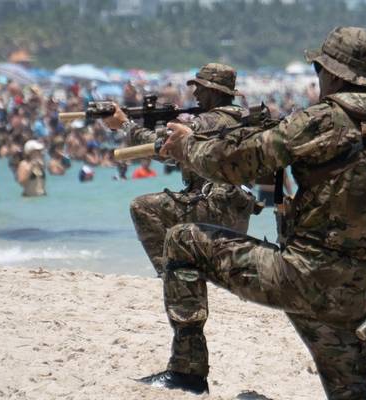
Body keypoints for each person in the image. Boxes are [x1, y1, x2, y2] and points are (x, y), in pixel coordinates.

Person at [155, 27, 366, 399]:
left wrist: (187, 147)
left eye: (319, 70)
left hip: (302, 276)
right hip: (360, 290)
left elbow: (235, 164)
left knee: (182, 239)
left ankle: (186, 373)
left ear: (331, 73)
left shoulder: (321, 119)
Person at [100, 63, 259, 395]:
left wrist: (124, 124)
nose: (195, 92)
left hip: (215, 205)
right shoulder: (234, 119)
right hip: (232, 209)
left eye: (200, 87)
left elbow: (166, 148)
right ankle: (181, 274)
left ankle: (176, 275)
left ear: (215, 92)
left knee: (143, 208)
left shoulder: (210, 120)